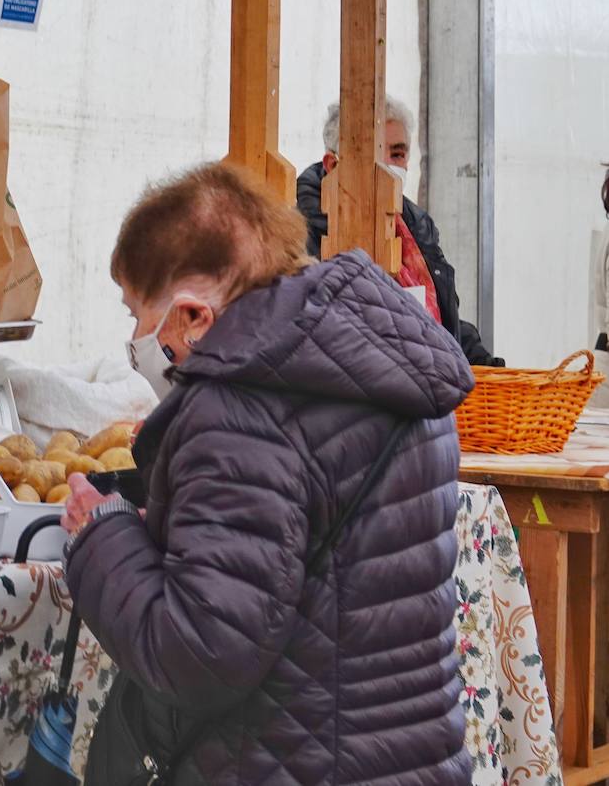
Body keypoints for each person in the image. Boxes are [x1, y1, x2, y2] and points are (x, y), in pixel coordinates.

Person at [62, 163, 472, 784]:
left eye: (136, 313)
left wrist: (103, 534)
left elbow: (199, 652)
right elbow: (310, 565)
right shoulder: (390, 365)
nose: (136, 336)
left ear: (194, 317)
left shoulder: (236, 409)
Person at [296, 97, 503, 367]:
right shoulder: (297, 234)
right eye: (374, 155)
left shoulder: (417, 225)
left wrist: (480, 362)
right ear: (333, 166)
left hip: (427, 391)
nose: (390, 167)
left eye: (397, 154)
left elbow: (439, 319)